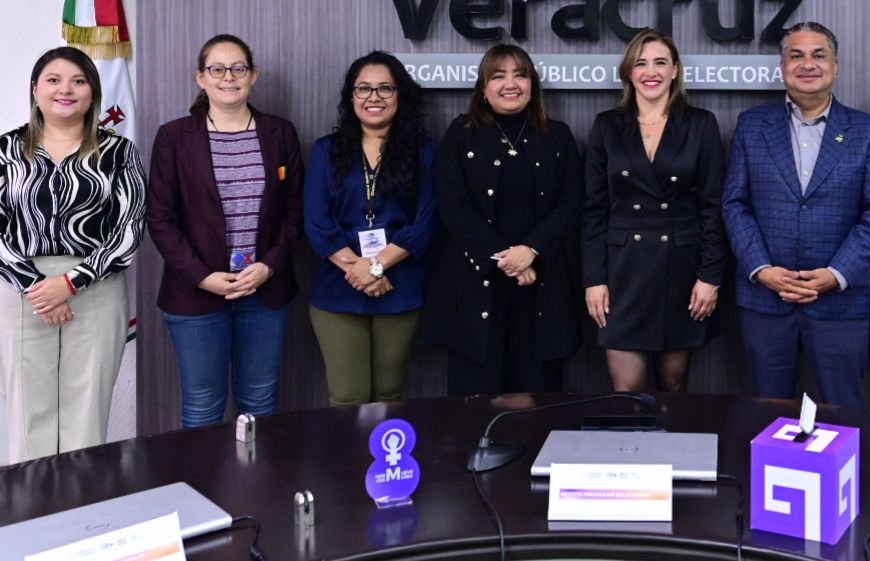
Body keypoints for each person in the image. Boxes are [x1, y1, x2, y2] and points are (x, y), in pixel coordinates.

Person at [0, 47, 146, 461]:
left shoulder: (118, 152)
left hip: (96, 287)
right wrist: (38, 287)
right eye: (53, 80)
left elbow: (129, 228)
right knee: (28, 413)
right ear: (35, 89)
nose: (65, 89)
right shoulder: (4, 150)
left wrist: (69, 283)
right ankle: (33, 501)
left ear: (93, 93)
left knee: (86, 411)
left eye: (78, 81)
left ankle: (82, 499)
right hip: (21, 292)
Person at [722, 21, 870, 407]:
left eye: (819, 55)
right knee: (768, 410)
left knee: (845, 411)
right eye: (796, 55)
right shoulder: (752, 125)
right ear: (782, 66)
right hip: (766, 298)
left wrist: (837, 273)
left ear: (835, 66)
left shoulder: (865, 130)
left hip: (840, 299)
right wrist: (761, 269)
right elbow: (735, 203)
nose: (807, 64)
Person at [146, 34, 305, 428]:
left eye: (238, 68)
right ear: (200, 78)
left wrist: (268, 266)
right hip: (196, 294)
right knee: (202, 408)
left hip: (264, 291)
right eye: (217, 69)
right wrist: (202, 276)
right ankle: (205, 475)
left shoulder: (280, 133)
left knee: (260, 403)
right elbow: (160, 218)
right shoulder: (174, 136)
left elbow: (294, 211)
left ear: (254, 75)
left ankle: (255, 473)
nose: (228, 77)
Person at [423, 44, 583, 394]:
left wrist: (532, 250)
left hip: (541, 287)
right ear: (484, 89)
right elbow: (451, 204)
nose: (510, 84)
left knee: (537, 402)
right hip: (475, 289)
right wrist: (507, 260)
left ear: (532, 86)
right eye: (498, 76)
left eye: (519, 75)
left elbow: (572, 201)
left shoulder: (557, 135)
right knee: (474, 403)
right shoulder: (461, 133)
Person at [583, 30, 726, 392]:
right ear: (628, 72)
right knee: (625, 390)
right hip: (622, 272)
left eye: (660, 62)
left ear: (675, 70)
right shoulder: (607, 125)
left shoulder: (700, 123)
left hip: (680, 269)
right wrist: (594, 280)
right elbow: (594, 211)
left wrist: (709, 277)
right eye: (641, 63)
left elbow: (713, 208)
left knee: (673, 386)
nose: (651, 72)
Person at [304, 51, 437, 405]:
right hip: (339, 287)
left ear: (400, 95)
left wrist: (376, 267)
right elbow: (318, 223)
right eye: (363, 88)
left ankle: (385, 450)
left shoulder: (425, 152)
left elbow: (426, 222)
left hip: (400, 285)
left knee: (389, 396)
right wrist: (362, 270)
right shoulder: (326, 150)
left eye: (384, 88)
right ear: (351, 97)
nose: (373, 97)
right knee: (348, 398)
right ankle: (350, 449)